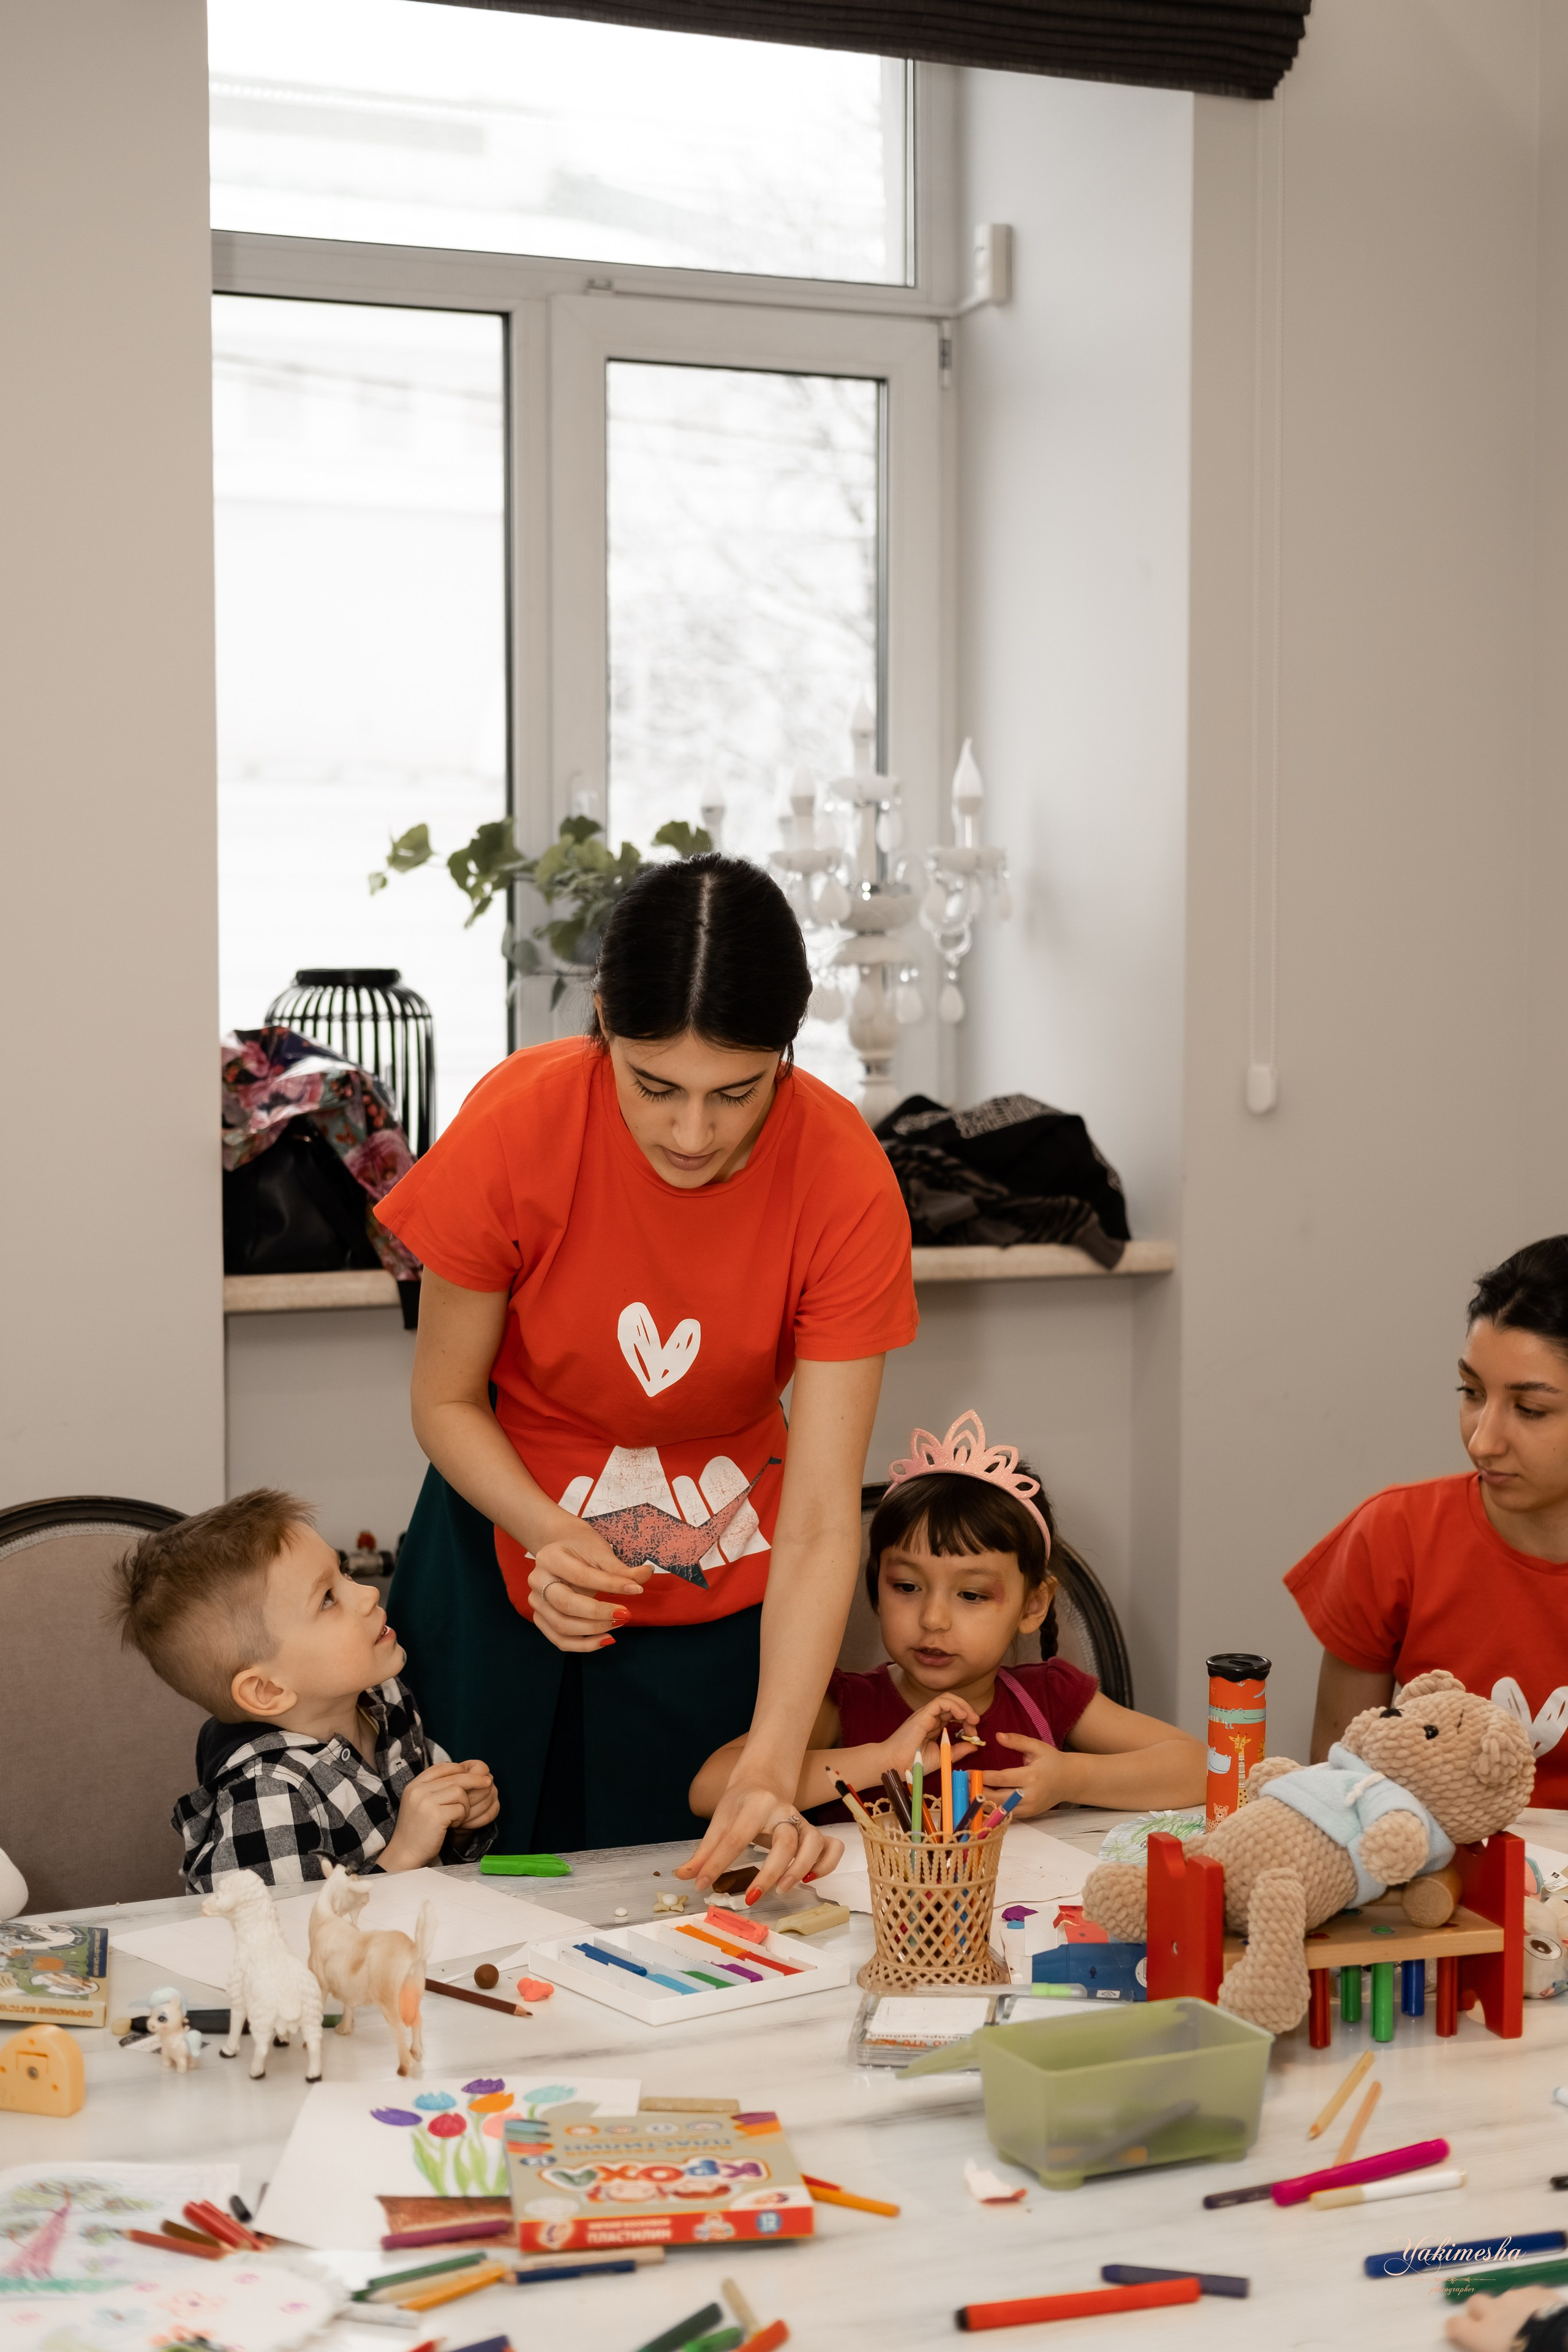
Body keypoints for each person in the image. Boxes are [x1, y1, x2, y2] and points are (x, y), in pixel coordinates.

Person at [374, 854, 918, 1893]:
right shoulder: (518, 1124)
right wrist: (548, 1531)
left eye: (737, 1093)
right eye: (654, 1085)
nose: (691, 1133)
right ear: (601, 1020)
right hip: (497, 1544)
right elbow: (443, 1400)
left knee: (684, 1896)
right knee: (471, 1890)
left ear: (787, 1054)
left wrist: (771, 1751)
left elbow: (815, 1518)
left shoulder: (843, 1174)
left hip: (721, 1570)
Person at [690, 1412, 1205, 1823]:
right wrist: (883, 1761)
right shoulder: (841, 1705)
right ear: (875, 1587)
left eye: (973, 1596)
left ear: (1033, 1606)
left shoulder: (1050, 1697)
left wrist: (1071, 1779)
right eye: (907, 1587)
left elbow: (1202, 1770)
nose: (933, 1618)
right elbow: (710, 1790)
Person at [1287, 1235, 1568, 1800]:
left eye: (1530, 1409)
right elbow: (1341, 1790)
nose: (1483, 1441)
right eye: (1471, 1392)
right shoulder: (1395, 1535)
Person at [113, 1490, 499, 1892]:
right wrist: (401, 1856)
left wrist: (458, 1826)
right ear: (266, 1689)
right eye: (328, 1600)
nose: (368, 1594)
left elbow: (440, 1877)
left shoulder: (386, 1698)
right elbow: (287, 1941)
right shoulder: (265, 1796)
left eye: (344, 1572)